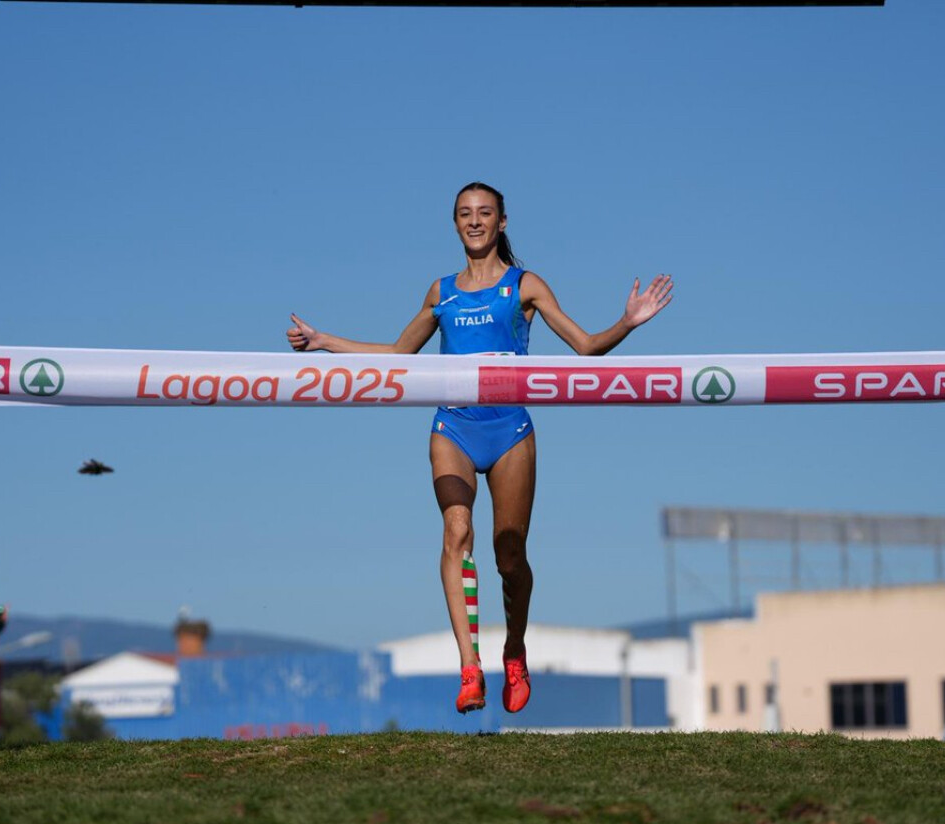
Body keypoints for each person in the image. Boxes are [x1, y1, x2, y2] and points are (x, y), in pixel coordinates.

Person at [287, 182, 672, 714]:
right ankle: (470, 668)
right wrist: (325, 342)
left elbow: (585, 347)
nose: (474, 221)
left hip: (510, 431)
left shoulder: (524, 285)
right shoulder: (441, 292)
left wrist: (627, 322)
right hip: (454, 428)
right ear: (455, 224)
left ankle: (514, 650)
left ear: (501, 222)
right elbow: (399, 354)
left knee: (509, 555)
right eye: (465, 214)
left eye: (484, 213)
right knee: (456, 531)